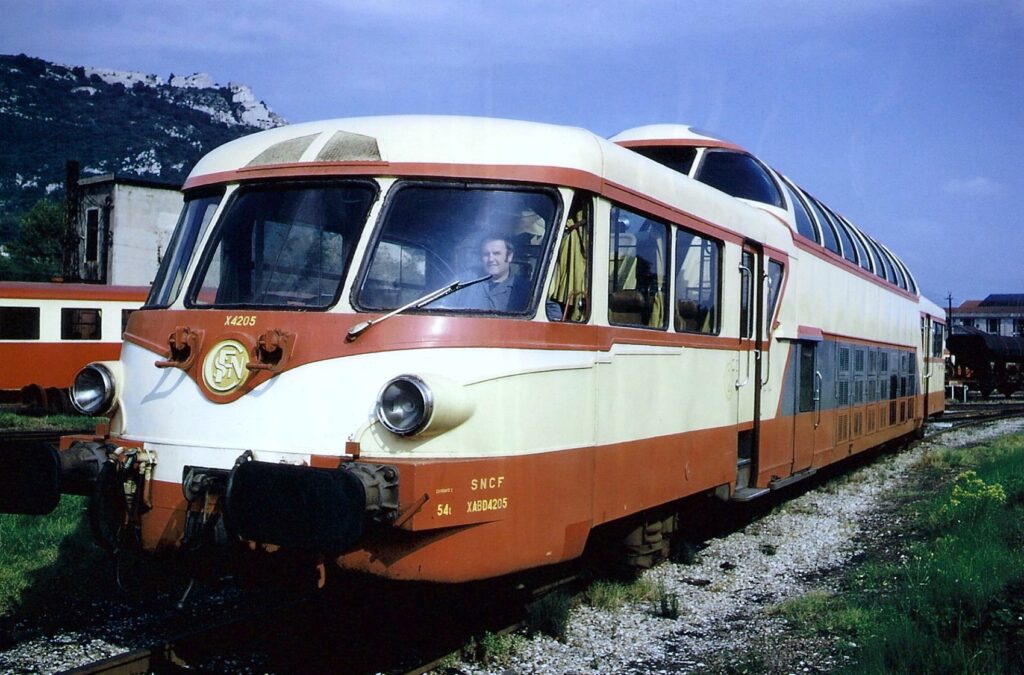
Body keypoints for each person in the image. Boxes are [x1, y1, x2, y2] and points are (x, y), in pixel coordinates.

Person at [456, 235, 530, 312]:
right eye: (486, 254)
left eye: (496, 253)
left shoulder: (526, 291)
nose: (491, 259)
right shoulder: (464, 282)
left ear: (509, 256)